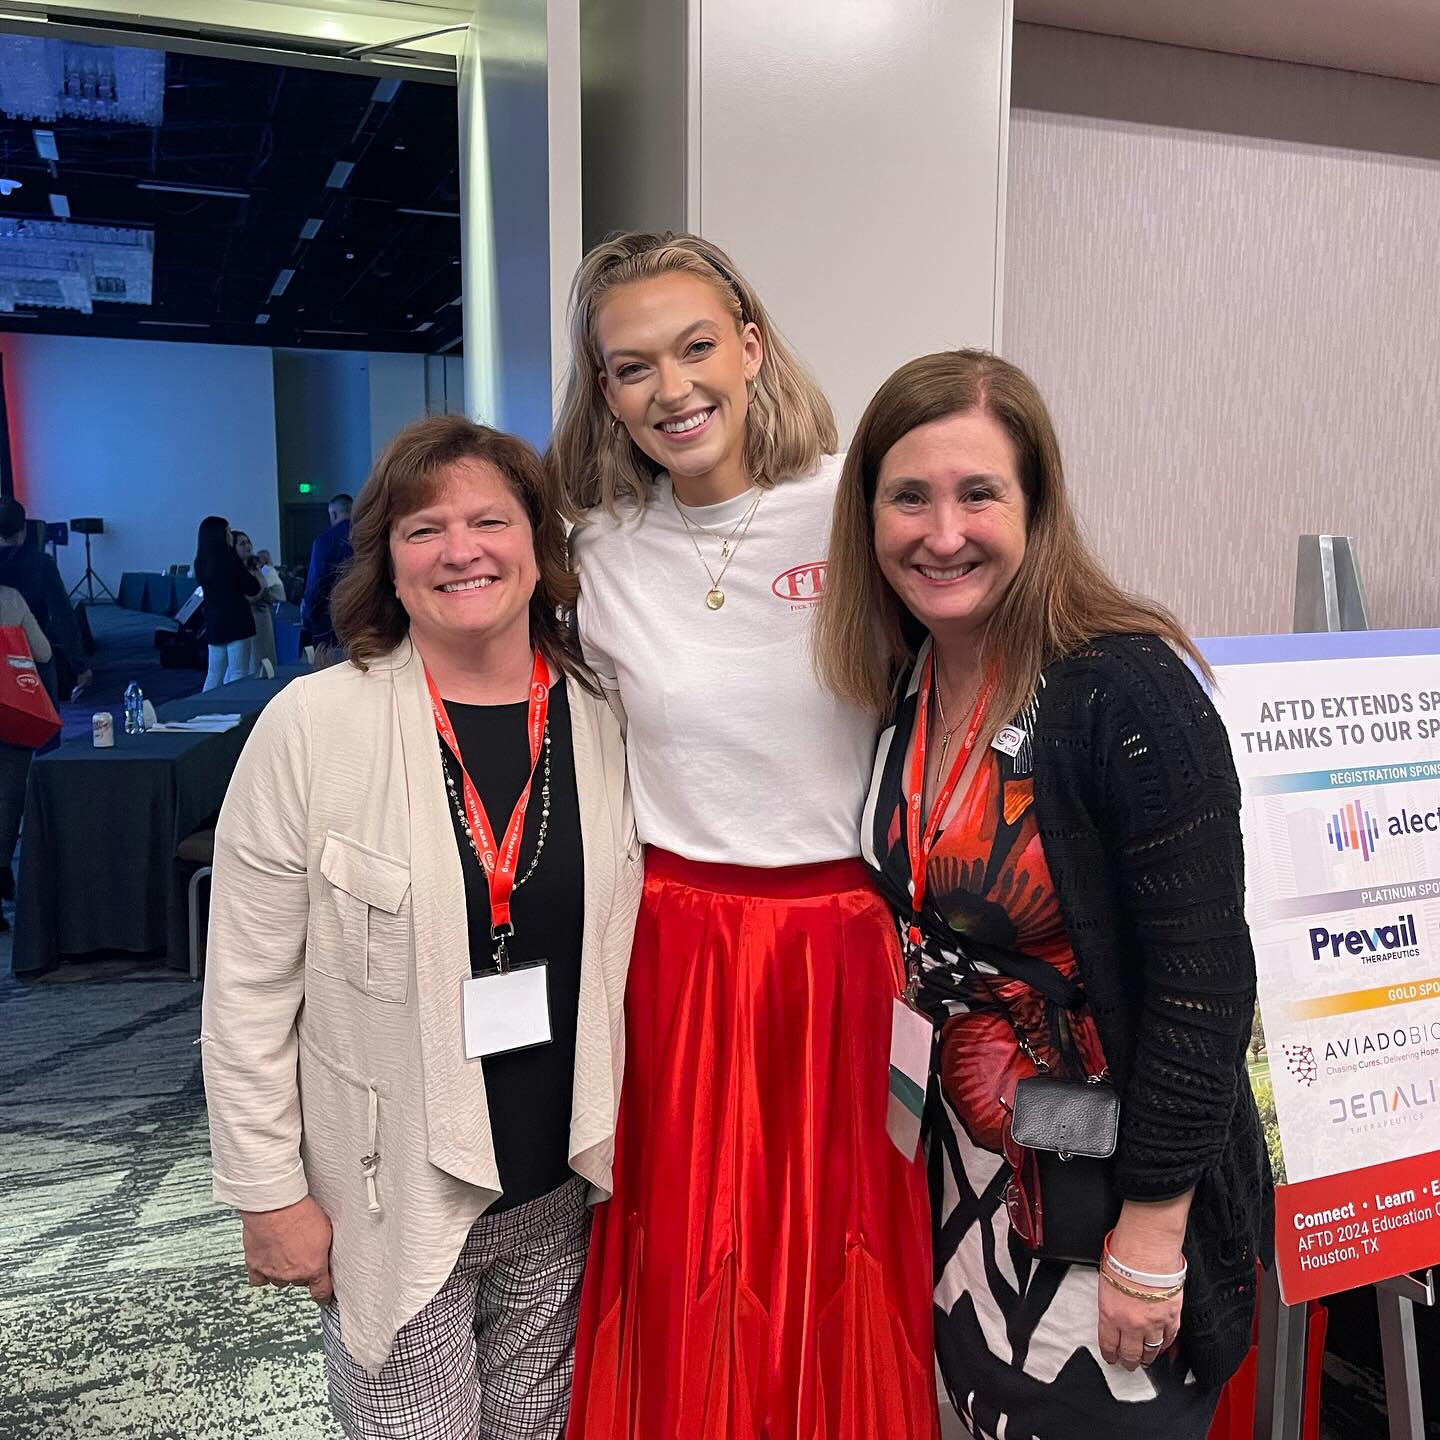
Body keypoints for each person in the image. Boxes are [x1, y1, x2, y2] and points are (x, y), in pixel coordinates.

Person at [814, 349, 1272, 1438]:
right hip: (974, 1182)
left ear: (1038, 506)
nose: (943, 532)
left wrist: (1153, 1240)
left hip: (1116, 1199)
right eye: (908, 497)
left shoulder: (1126, 692)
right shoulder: (912, 674)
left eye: (981, 494)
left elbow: (1206, 995)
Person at [548, 231, 940, 1438]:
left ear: (752, 345)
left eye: (696, 346)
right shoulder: (594, 551)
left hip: (848, 948)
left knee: (850, 1239)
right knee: (691, 1243)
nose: (672, 389)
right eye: (631, 367)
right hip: (672, 950)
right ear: (604, 393)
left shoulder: (857, 512)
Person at [201, 417, 641, 1439]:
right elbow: (250, 988)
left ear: (539, 546)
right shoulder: (315, 726)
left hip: (562, 1189)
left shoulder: (606, 717)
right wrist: (267, 1194)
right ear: (386, 561)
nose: (460, 550)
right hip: (390, 1192)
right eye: (423, 528)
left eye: (490, 519)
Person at [0, 498, 89, 701]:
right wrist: (79, 664)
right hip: (30, 653)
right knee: (44, 715)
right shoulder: (41, 565)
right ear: (23, 529)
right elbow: (62, 617)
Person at [0, 583, 52, 929]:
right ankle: (3, 868)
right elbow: (42, 652)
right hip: (10, 714)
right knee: (8, 799)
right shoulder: (9, 598)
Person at [193, 517, 261, 690]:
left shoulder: (200, 561)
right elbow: (252, 588)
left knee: (214, 673)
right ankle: (236, 712)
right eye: (228, 531)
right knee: (238, 672)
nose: (231, 535)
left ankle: (205, 710)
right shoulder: (229, 558)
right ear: (220, 535)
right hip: (237, 623)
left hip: (215, 623)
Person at [302, 492, 354, 652]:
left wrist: (307, 614)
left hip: (331, 619)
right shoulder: (371, 537)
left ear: (333, 513)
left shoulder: (324, 541)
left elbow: (316, 582)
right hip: (368, 615)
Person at [232, 532, 286, 675]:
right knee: (251, 659)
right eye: (242, 543)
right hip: (247, 617)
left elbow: (264, 590)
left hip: (263, 615)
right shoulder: (234, 570)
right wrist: (259, 594)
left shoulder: (255, 566)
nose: (248, 546)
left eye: (248, 542)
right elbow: (250, 595)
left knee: (267, 654)